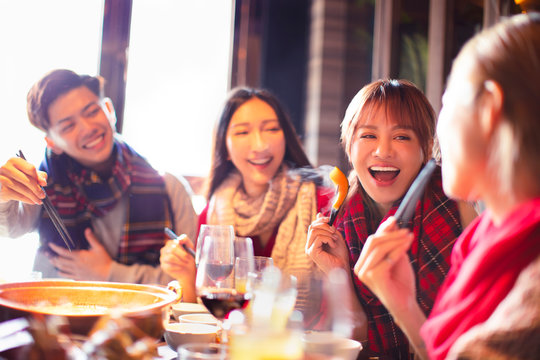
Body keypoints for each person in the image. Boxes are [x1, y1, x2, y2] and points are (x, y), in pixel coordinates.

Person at [354, 13, 540, 360]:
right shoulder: (482, 236)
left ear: (487, 111)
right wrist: (403, 304)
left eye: (446, 103)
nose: (437, 135)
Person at [305, 79, 478, 358]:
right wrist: (338, 272)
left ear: (427, 148)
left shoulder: (453, 208)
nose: (383, 151)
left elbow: (461, 340)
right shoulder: (343, 216)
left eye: (401, 137)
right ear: (349, 146)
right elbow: (355, 340)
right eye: (368, 136)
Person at [0, 69, 198, 284]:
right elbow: (10, 227)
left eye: (92, 111)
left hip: (144, 316)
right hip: (55, 311)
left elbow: (189, 279)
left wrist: (108, 273)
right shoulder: (42, 183)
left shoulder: (170, 187)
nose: (88, 128)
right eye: (68, 126)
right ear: (52, 143)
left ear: (109, 110)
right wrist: (4, 194)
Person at [160, 87, 333, 326]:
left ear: (286, 137)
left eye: (271, 129)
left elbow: (336, 303)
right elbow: (205, 316)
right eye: (242, 132)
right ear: (225, 147)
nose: (260, 145)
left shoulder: (322, 203)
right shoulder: (213, 212)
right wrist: (186, 275)